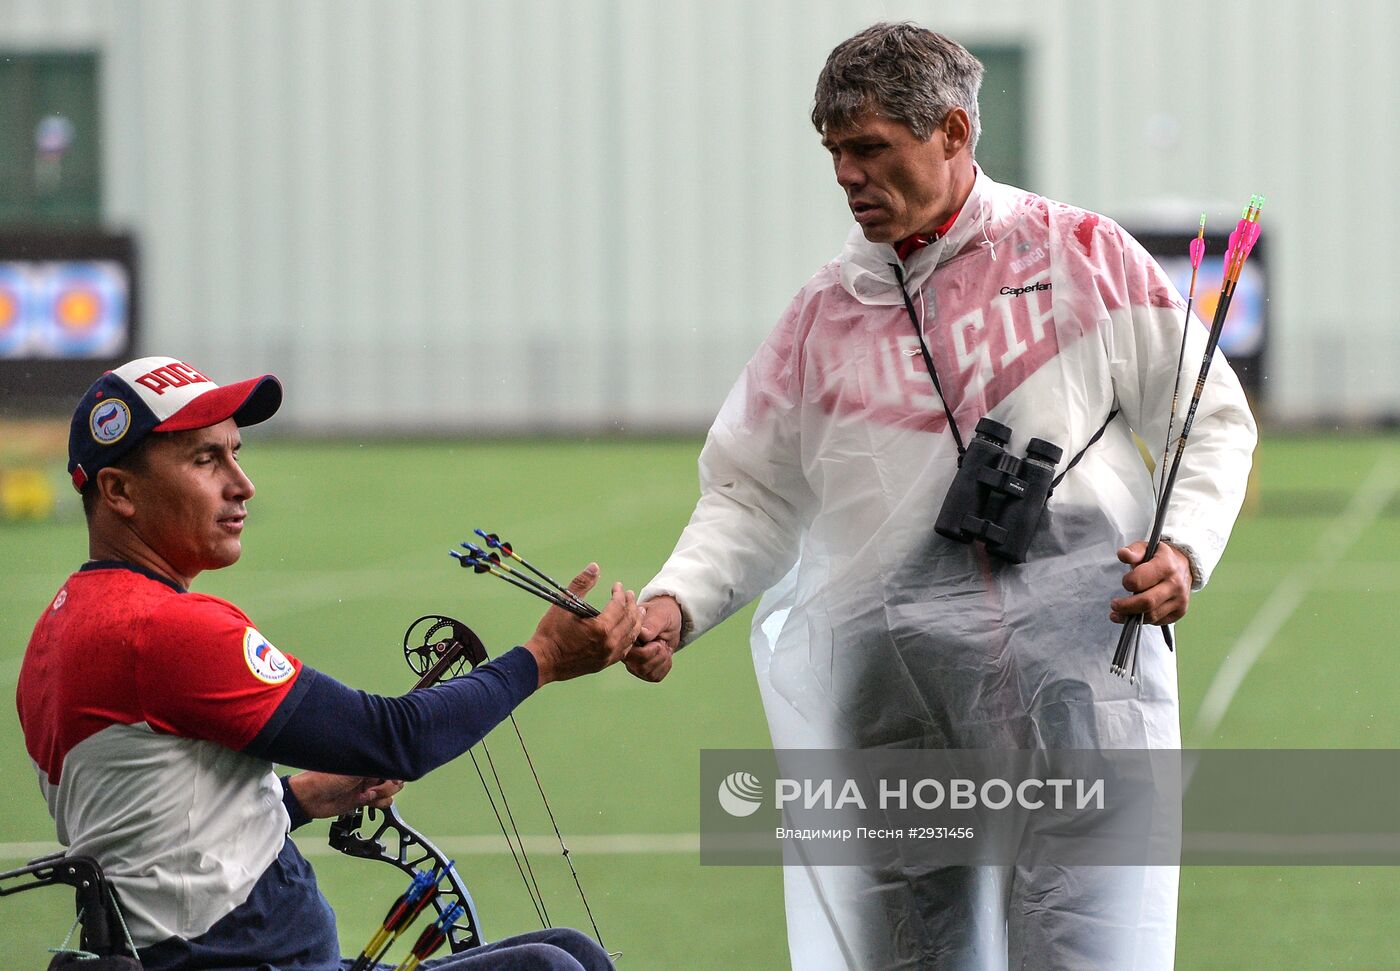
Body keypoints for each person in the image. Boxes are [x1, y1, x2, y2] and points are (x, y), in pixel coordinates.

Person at [625, 22, 1256, 971]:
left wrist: (1186, 549)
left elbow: (1207, 417)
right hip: (895, 706)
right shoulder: (821, 316)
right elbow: (751, 492)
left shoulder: (1078, 252)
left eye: (870, 147)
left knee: (1091, 954)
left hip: (1081, 689)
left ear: (953, 133)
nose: (846, 174)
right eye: (835, 151)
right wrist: (678, 599)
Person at [17, 356, 640, 971]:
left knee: (568, 953)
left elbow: (154, 841)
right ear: (118, 491)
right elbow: (398, 737)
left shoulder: (65, 623)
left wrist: (301, 798)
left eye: (236, 453)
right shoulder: (160, 629)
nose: (241, 483)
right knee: (550, 968)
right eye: (206, 460)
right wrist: (545, 657)